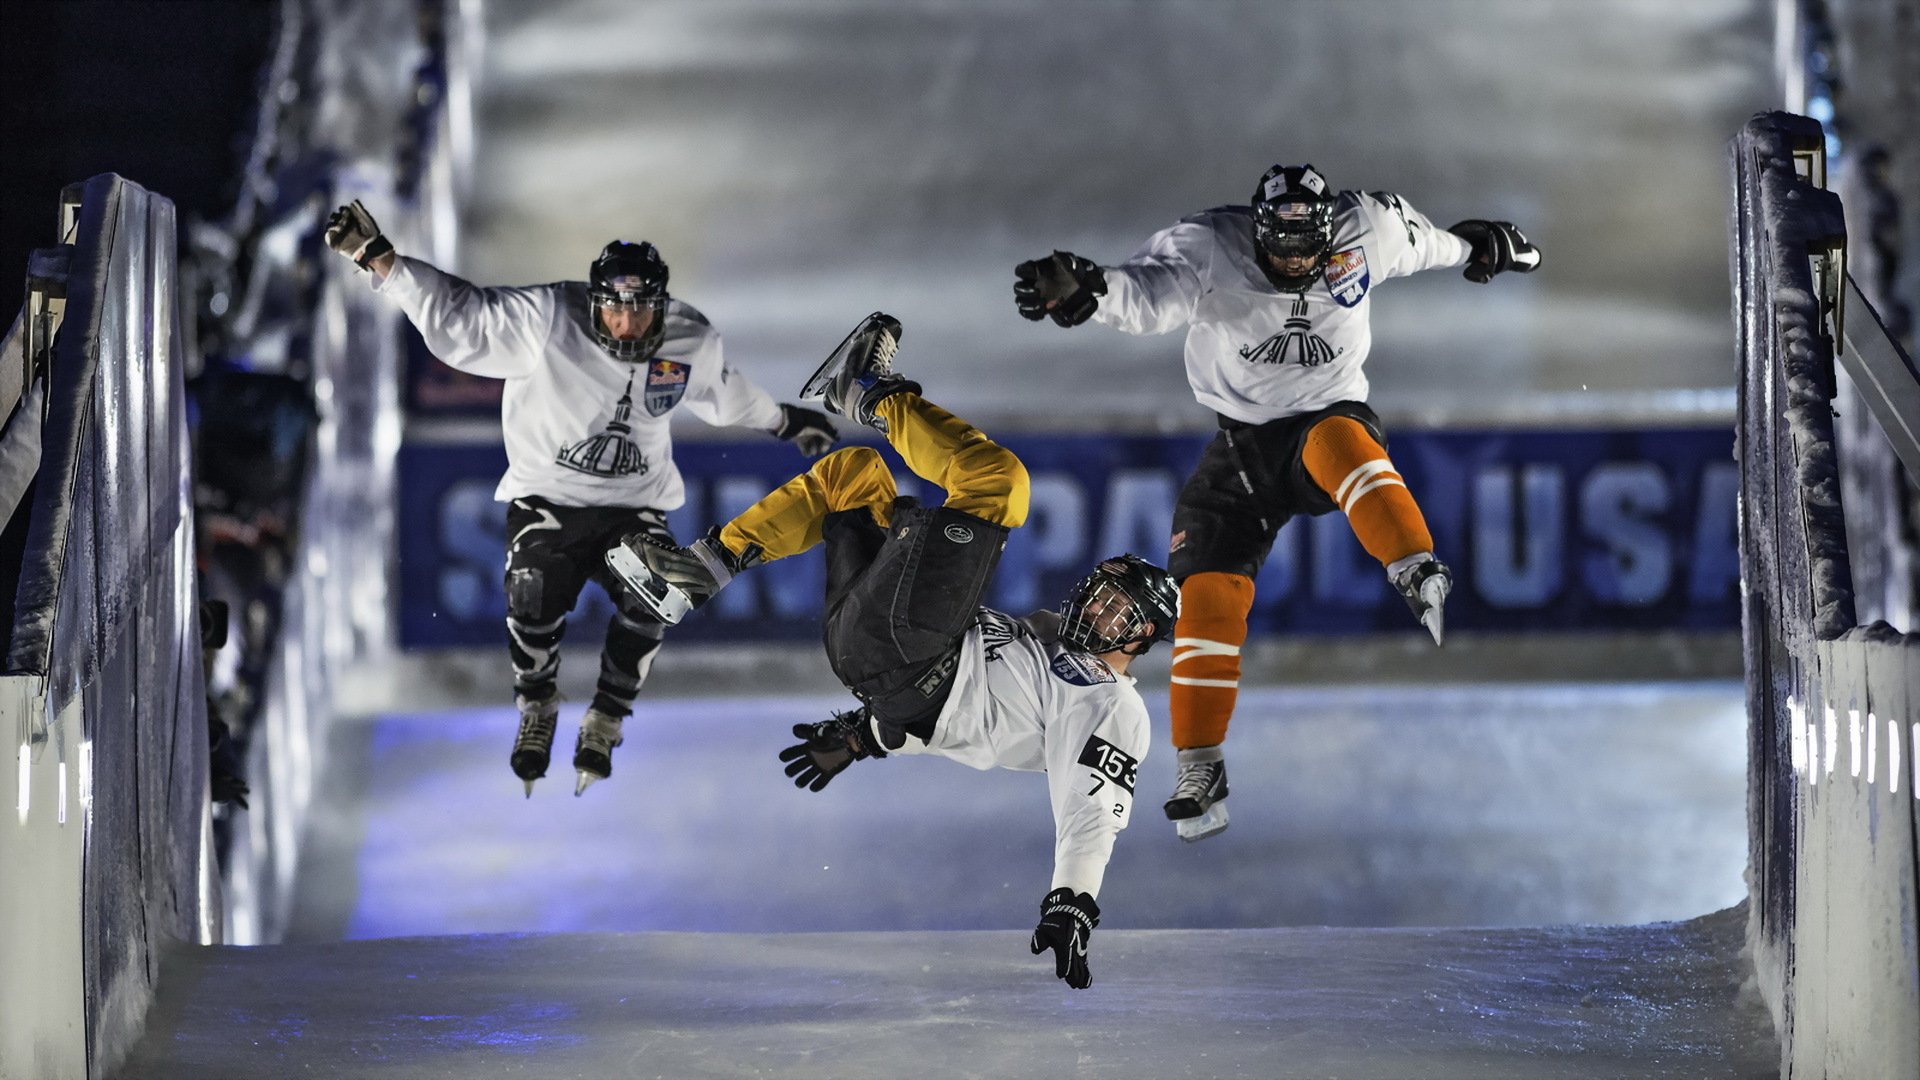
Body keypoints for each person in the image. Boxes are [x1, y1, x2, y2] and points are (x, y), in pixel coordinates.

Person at [605, 313, 1179, 989]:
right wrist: (862, 739)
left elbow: (1091, 810)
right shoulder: (1046, 639)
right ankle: (699, 572)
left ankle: (868, 390)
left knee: (999, 485)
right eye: (1102, 591)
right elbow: (965, 717)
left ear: (1140, 640)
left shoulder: (1111, 706)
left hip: (909, 651)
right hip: (877, 653)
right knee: (854, 475)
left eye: (1118, 610)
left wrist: (1071, 901)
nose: (1095, 607)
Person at [1013, 163, 1540, 841]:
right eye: (1280, 248)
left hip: (1325, 421)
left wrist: (1480, 246)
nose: (1294, 261)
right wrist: (1094, 288)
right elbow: (1148, 295)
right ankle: (1201, 762)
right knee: (1203, 595)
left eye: (1306, 248)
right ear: (1253, 234)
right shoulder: (1208, 245)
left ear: (1330, 233)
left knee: (1337, 441)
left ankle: (1413, 560)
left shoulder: (1369, 230)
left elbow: (1425, 243)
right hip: (1239, 453)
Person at [323, 200, 839, 796]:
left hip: (634, 507)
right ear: (594, 302)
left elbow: (724, 393)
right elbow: (463, 315)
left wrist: (783, 421)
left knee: (664, 588)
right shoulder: (546, 317)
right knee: (532, 587)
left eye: (643, 310)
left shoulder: (688, 339)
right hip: (548, 497)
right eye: (615, 309)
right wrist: (378, 258)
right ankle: (537, 704)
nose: (628, 325)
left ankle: (607, 717)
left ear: (662, 305)